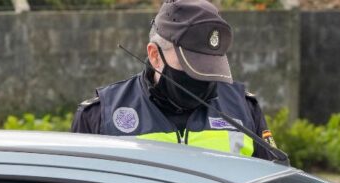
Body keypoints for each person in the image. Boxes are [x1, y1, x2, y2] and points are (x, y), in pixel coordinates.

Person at [71, 0, 287, 164]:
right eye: (192, 64)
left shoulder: (243, 109)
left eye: (210, 65)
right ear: (154, 55)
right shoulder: (101, 116)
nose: (203, 77)